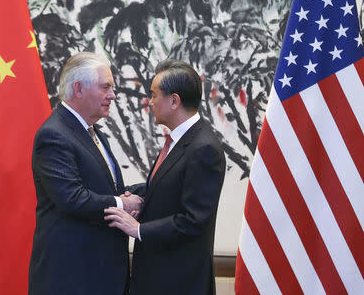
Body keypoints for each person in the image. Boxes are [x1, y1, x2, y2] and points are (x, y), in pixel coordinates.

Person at [105, 59, 226, 295]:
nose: (150, 102)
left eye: (154, 95)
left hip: (179, 282)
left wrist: (138, 229)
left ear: (174, 101)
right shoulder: (181, 140)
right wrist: (135, 196)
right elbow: (167, 187)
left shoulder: (204, 148)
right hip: (158, 278)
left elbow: (192, 220)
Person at [28, 52, 143, 295]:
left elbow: (104, 189)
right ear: (78, 89)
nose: (113, 95)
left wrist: (152, 189)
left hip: (100, 275)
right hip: (73, 279)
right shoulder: (54, 135)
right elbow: (72, 198)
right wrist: (122, 204)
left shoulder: (92, 132)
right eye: (106, 87)